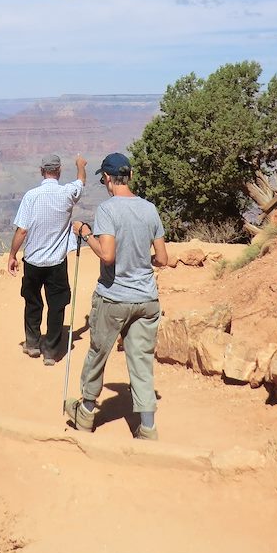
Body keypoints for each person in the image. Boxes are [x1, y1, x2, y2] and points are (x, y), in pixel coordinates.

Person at [65, 152, 168, 440]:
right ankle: (147, 427)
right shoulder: (150, 209)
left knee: (98, 353)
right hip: (147, 299)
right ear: (131, 176)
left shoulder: (107, 210)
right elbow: (162, 258)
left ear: (108, 179)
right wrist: (138, 260)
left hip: (114, 297)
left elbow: (107, 256)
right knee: (142, 360)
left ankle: (85, 414)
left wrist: (86, 234)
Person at [8, 153, 87, 365]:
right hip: (57, 263)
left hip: (33, 261)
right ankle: (51, 352)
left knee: (33, 302)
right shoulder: (67, 193)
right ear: (59, 171)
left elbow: (22, 231)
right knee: (57, 304)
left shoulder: (31, 196)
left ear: (42, 171)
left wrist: (12, 254)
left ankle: (33, 344)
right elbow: (81, 182)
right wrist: (80, 165)